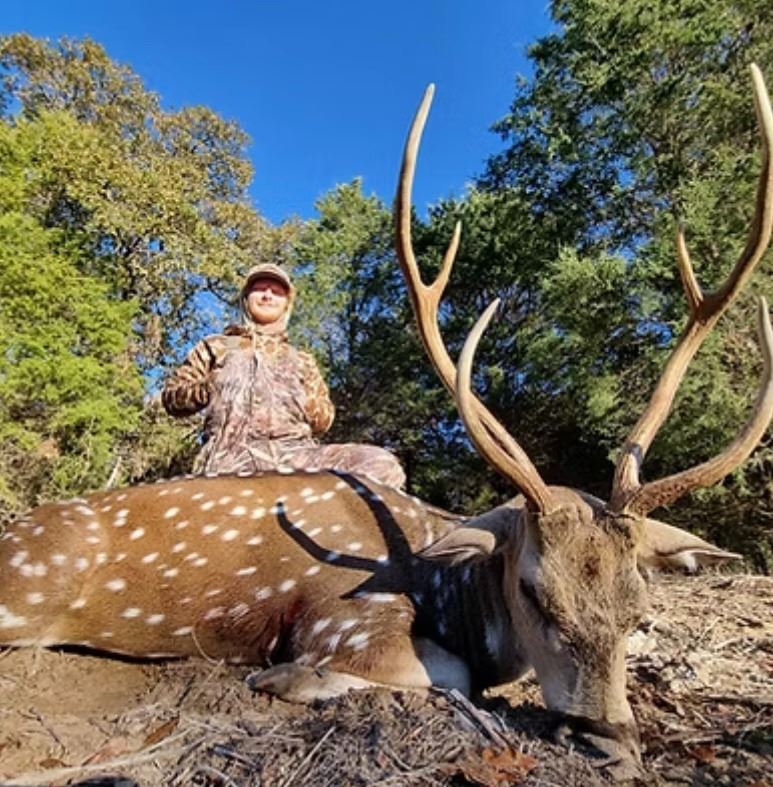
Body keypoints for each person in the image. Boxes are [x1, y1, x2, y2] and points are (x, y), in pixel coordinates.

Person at [162, 263, 406, 488]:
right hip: (229, 457)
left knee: (381, 464)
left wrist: (306, 400)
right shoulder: (222, 344)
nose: (267, 295)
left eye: (276, 291)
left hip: (296, 455)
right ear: (246, 299)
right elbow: (172, 397)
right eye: (259, 289)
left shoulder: (300, 359)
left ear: (286, 304)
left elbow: (324, 421)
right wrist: (209, 386)